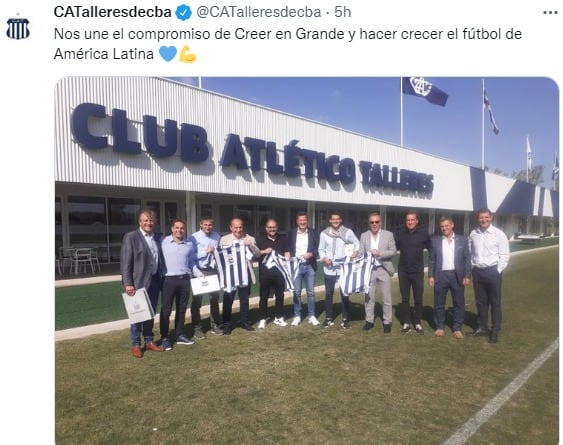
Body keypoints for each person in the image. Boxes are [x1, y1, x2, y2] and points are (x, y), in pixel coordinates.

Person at [120, 209, 164, 358]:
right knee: (137, 315)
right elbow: (125, 263)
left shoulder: (158, 237)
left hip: (155, 281)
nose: (148, 223)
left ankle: (149, 341)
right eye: (145, 220)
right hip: (137, 284)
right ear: (140, 222)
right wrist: (128, 283)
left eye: (151, 220)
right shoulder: (131, 237)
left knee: (150, 314)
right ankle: (136, 344)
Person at [468, 208, 510, 343]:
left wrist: (498, 270)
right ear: (478, 219)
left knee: (495, 302)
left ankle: (495, 330)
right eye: (481, 217)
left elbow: (504, 255)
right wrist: (472, 266)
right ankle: (482, 328)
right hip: (478, 272)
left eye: (486, 217)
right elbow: (470, 252)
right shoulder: (473, 234)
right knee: (481, 302)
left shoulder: (499, 234)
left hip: (493, 272)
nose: (483, 220)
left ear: (491, 218)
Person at [159, 219, 201, 351]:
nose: (179, 230)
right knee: (166, 310)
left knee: (182, 309)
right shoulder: (163, 242)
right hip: (168, 280)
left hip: (184, 280)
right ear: (172, 229)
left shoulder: (189, 244)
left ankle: (179, 334)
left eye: (182, 228)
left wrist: (199, 273)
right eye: (176, 228)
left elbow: (192, 262)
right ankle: (165, 337)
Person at [428, 216, 471, 339]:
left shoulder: (462, 240)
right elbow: (432, 260)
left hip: (457, 276)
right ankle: (440, 327)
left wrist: (467, 275)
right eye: (442, 226)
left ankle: (457, 328)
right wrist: (431, 275)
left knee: (458, 303)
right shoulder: (435, 240)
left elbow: (467, 258)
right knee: (439, 304)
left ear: (452, 225)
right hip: (440, 275)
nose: (444, 228)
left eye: (446, 226)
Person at [318, 211, 360, 329]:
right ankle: (329, 318)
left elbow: (357, 243)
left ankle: (345, 318)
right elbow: (321, 249)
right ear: (330, 221)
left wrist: (355, 252)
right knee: (329, 294)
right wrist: (324, 258)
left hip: (343, 269)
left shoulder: (347, 232)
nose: (335, 221)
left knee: (344, 294)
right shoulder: (324, 234)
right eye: (333, 219)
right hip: (329, 268)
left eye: (338, 219)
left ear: (340, 220)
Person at [218, 218, 260, 334]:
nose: (238, 229)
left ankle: (244, 321)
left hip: (245, 274)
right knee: (228, 300)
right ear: (231, 228)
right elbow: (220, 257)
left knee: (244, 300)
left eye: (240, 227)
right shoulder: (224, 239)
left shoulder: (249, 238)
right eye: (235, 227)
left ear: (243, 227)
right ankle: (226, 323)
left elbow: (257, 254)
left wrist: (250, 245)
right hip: (230, 276)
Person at [358, 212, 397, 333]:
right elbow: (360, 253)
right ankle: (369, 321)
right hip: (369, 271)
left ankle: (387, 322)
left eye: (377, 222)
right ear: (369, 223)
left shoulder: (388, 234)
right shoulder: (364, 236)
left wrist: (379, 253)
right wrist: (355, 254)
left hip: (384, 269)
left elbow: (393, 251)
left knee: (386, 298)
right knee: (369, 297)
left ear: (380, 222)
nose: (374, 224)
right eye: (372, 222)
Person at [395, 211, 431, 335]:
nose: (410, 222)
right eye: (408, 220)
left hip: (417, 272)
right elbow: (392, 248)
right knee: (405, 299)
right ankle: (406, 322)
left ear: (417, 221)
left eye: (412, 220)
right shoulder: (400, 234)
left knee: (418, 298)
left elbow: (432, 249)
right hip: (403, 271)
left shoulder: (423, 234)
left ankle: (417, 323)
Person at [188, 217, 224, 338]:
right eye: (205, 225)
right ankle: (197, 328)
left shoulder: (216, 236)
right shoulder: (194, 237)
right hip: (200, 271)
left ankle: (215, 325)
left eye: (210, 225)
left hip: (213, 271)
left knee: (214, 300)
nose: (208, 227)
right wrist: (206, 252)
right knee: (197, 302)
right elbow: (191, 256)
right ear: (201, 224)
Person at [256, 219, 290, 329]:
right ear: (266, 228)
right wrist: (264, 251)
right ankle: (262, 319)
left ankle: (279, 317)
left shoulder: (283, 239)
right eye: (270, 227)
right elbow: (255, 254)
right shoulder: (260, 239)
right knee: (264, 296)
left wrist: (288, 259)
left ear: (277, 227)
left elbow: (287, 252)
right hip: (265, 273)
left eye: (274, 227)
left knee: (280, 296)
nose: (272, 229)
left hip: (280, 273)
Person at [287, 211, 320, 326]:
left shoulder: (313, 233)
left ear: (307, 221)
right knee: (297, 292)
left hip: (309, 265)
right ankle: (297, 315)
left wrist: (311, 253)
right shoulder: (291, 233)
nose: (302, 222)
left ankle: (312, 315)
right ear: (297, 221)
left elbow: (318, 249)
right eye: (300, 220)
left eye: (304, 220)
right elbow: (288, 248)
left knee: (311, 292)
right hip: (296, 267)